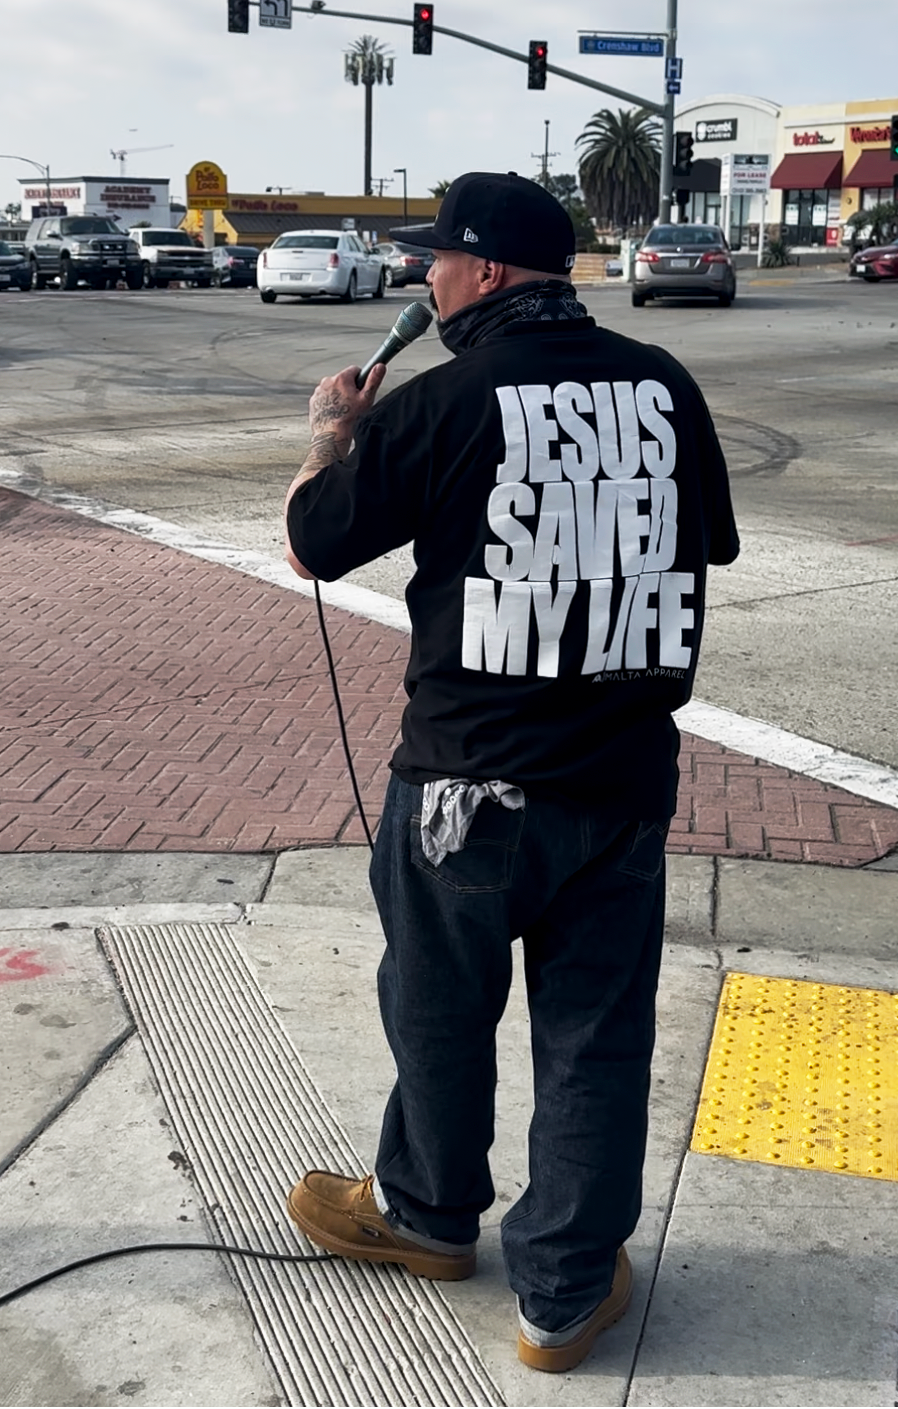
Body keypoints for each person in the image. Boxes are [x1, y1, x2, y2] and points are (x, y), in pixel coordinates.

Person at [282, 171, 739, 1373]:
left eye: (436, 259)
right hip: (621, 783)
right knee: (595, 1037)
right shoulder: (665, 385)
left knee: (439, 1012)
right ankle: (564, 1295)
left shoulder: (439, 400)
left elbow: (315, 543)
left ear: (484, 271)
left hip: (462, 785)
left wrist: (332, 435)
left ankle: (429, 1217)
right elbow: (709, 548)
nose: (423, 278)